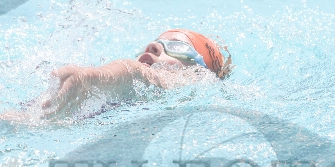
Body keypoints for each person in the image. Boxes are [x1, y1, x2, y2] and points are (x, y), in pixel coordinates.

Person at [39, 28, 232, 118]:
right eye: (157, 42)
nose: (153, 46)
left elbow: (134, 73)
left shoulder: (195, 81)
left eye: (176, 46)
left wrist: (92, 76)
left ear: (199, 70)